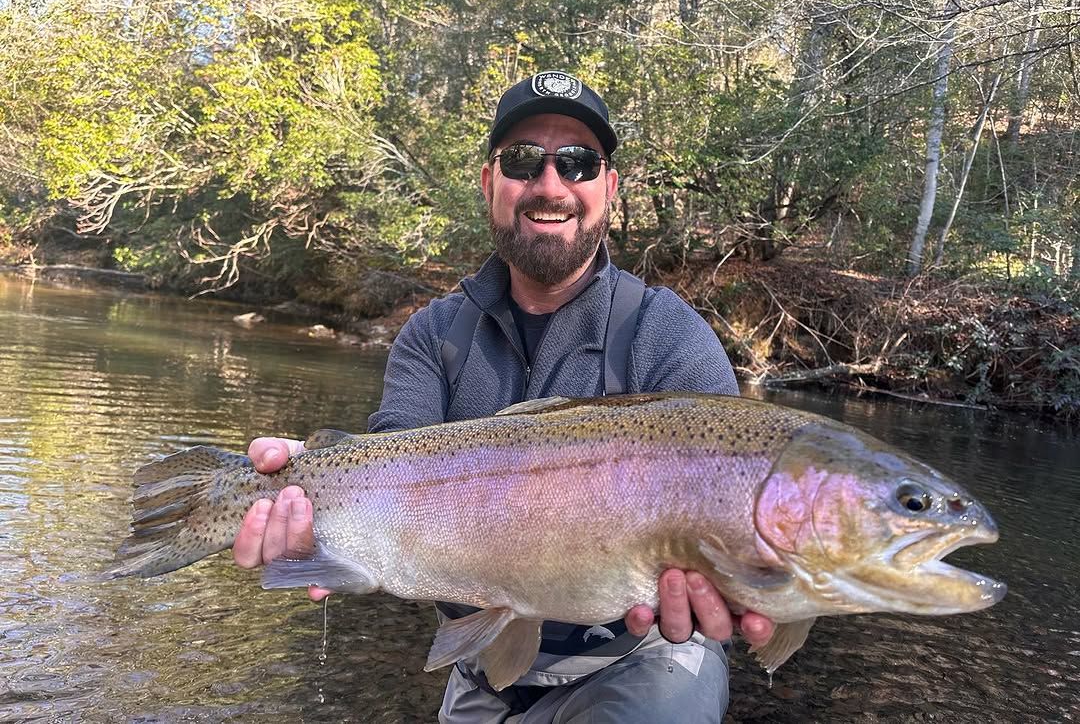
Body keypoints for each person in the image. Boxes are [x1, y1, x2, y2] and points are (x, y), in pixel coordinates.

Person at [232, 71, 774, 722]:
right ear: (490, 183)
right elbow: (386, 471)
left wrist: (758, 578)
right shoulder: (431, 337)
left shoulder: (668, 336)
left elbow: (737, 511)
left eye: (578, 163)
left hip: (640, 655)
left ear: (610, 189)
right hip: (485, 659)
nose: (551, 186)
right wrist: (302, 492)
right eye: (523, 161)